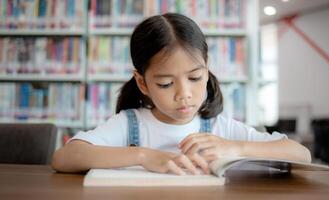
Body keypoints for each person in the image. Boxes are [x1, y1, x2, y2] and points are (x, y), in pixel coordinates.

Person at [51, 13, 311, 175]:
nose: (184, 95)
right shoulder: (131, 125)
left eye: (195, 78)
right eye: (165, 84)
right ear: (142, 83)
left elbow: (302, 154)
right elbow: (64, 157)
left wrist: (235, 147)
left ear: (207, 72)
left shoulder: (219, 128)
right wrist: (144, 156)